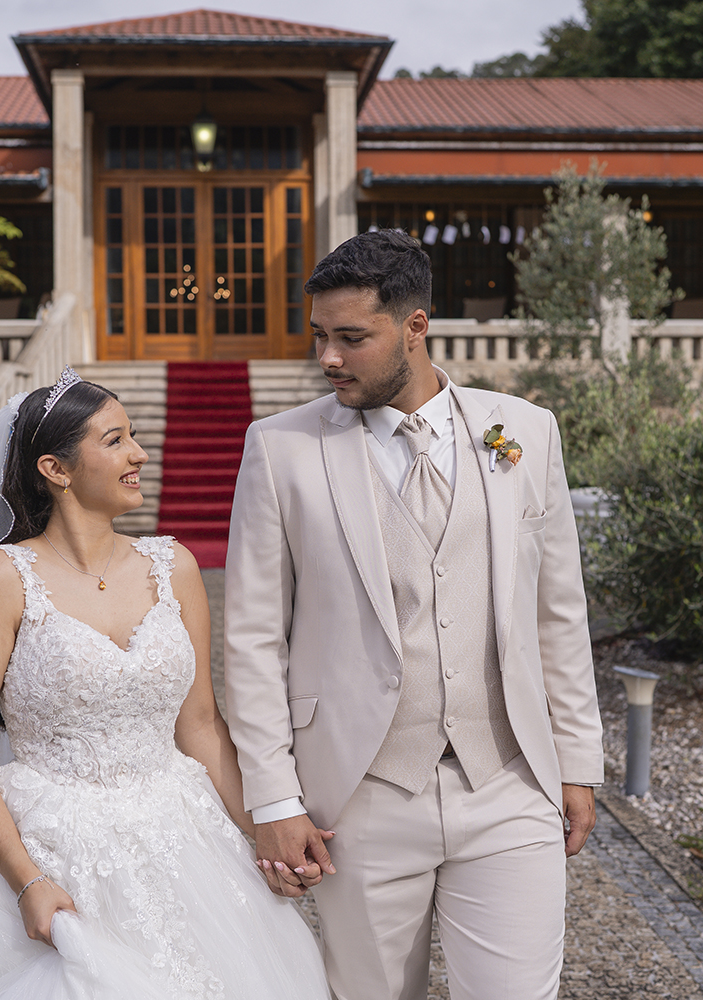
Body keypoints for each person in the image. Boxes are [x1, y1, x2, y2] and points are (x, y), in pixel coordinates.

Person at [0, 369, 331, 1000]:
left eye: (134, 436)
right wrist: (26, 880)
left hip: (182, 835)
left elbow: (201, 724)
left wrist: (265, 830)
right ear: (56, 469)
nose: (140, 454)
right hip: (50, 844)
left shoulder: (173, 566)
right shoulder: (2, 579)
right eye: (115, 440)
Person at [223, 230, 604, 1000]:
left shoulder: (523, 431)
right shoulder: (280, 448)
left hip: (508, 782)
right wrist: (274, 799)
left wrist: (578, 761)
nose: (328, 358)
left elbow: (558, 612)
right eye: (319, 336)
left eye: (351, 338)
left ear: (415, 327)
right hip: (358, 798)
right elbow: (253, 641)